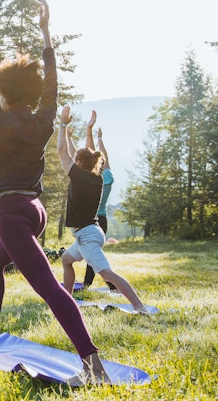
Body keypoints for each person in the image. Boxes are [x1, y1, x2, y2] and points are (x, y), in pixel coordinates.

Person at [0, 0, 111, 384]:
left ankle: (94, 366)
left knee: (50, 288)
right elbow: (52, 85)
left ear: (3, 93)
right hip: (33, 211)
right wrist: (45, 32)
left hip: (12, 215)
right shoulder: (43, 120)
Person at [58, 106, 147, 313]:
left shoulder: (79, 177)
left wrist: (62, 125)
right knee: (66, 260)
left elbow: (63, 152)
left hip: (88, 235)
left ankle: (139, 306)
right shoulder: (97, 178)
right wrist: (85, 132)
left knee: (107, 274)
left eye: (76, 160)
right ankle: (67, 302)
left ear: (79, 163)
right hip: (89, 232)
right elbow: (78, 154)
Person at [82, 113, 115, 290]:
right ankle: (91, 284)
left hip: (91, 221)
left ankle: (107, 284)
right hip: (102, 220)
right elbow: (103, 157)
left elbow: (92, 154)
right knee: (92, 255)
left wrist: (89, 131)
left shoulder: (92, 179)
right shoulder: (107, 178)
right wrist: (100, 138)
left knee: (92, 256)